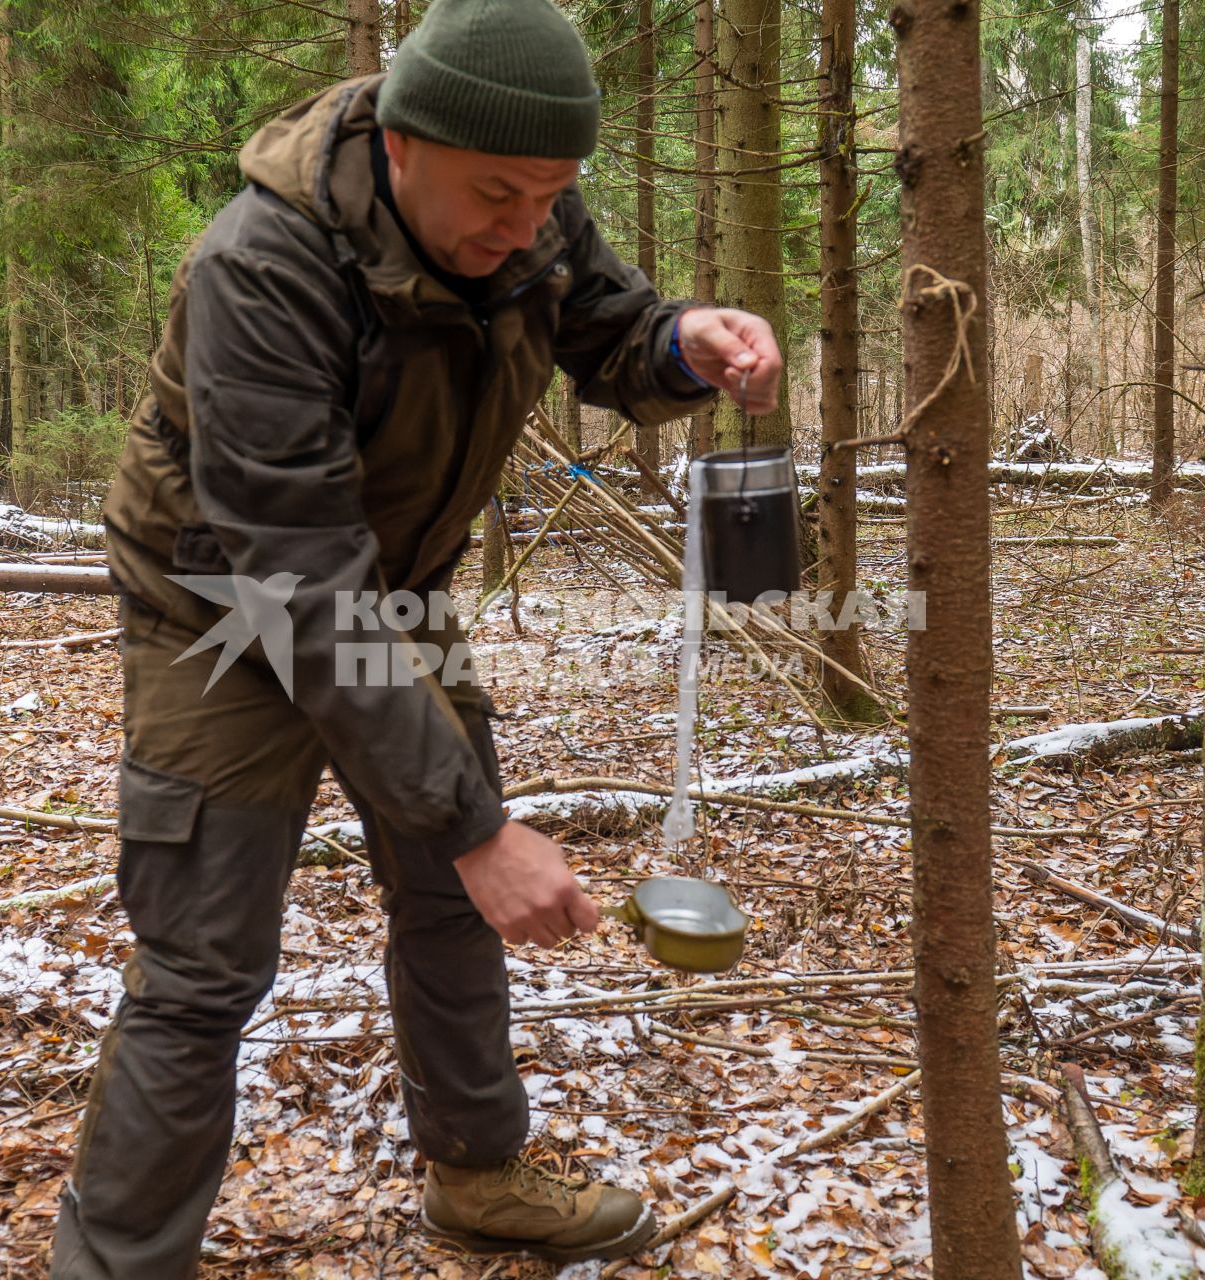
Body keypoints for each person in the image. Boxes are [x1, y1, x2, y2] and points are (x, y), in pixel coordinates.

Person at [52, 0, 782, 1273]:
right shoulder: (260, 266)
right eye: (496, 194)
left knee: (453, 903)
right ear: (400, 143)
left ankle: (479, 1177)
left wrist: (684, 343)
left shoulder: (531, 214)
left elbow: (606, 328)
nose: (522, 226)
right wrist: (477, 827)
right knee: (205, 960)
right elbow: (302, 587)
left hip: (385, 586)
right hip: (224, 604)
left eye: (550, 196)